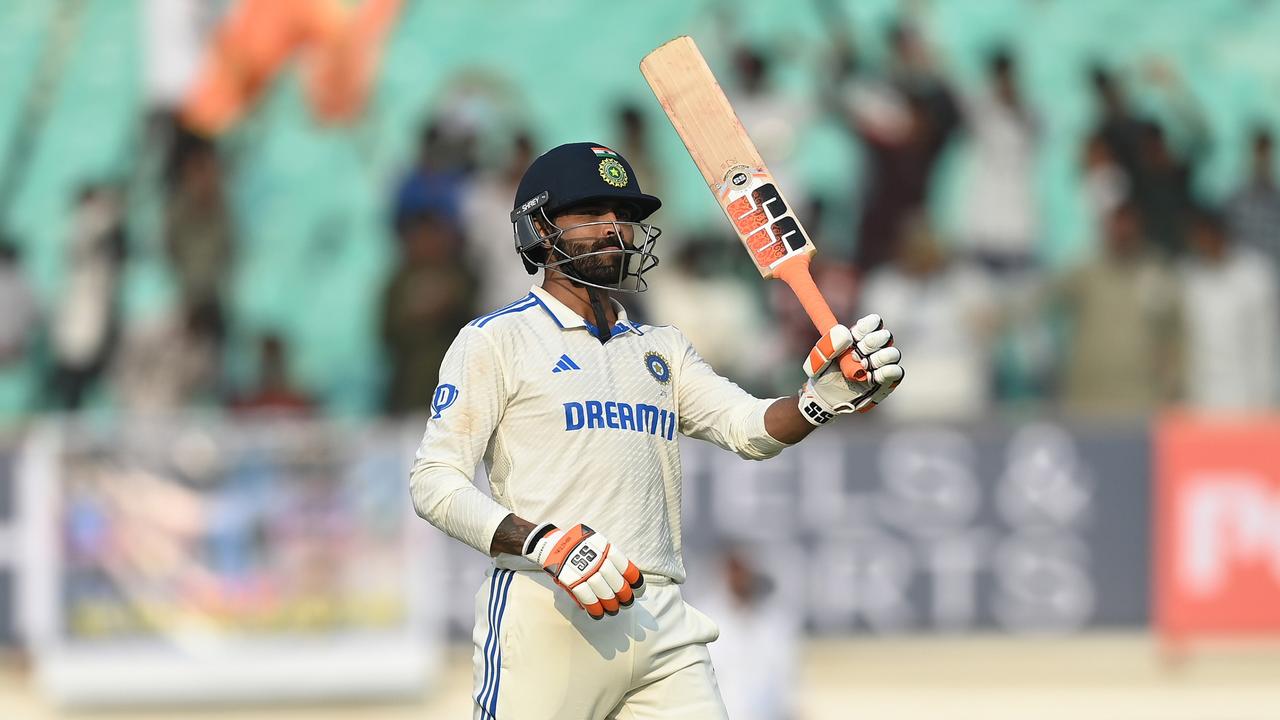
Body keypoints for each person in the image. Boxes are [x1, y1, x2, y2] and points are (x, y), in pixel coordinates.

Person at [409, 142, 904, 719]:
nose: (614, 228)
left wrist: (820, 400)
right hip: (549, 609)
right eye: (591, 213)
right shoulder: (497, 340)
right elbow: (434, 482)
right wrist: (545, 543)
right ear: (539, 231)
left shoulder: (661, 348)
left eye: (624, 215)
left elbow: (748, 428)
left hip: (659, 615)